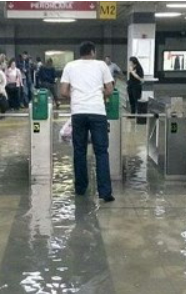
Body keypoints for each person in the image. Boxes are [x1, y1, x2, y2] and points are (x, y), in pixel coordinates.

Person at [60, 41, 115, 202]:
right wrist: (98, 94)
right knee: (101, 152)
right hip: (98, 112)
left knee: (79, 151)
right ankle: (105, 193)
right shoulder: (101, 65)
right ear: (93, 52)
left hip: (78, 113)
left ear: (80, 53)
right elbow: (110, 89)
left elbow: (63, 91)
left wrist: (77, 96)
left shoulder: (70, 66)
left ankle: (80, 188)